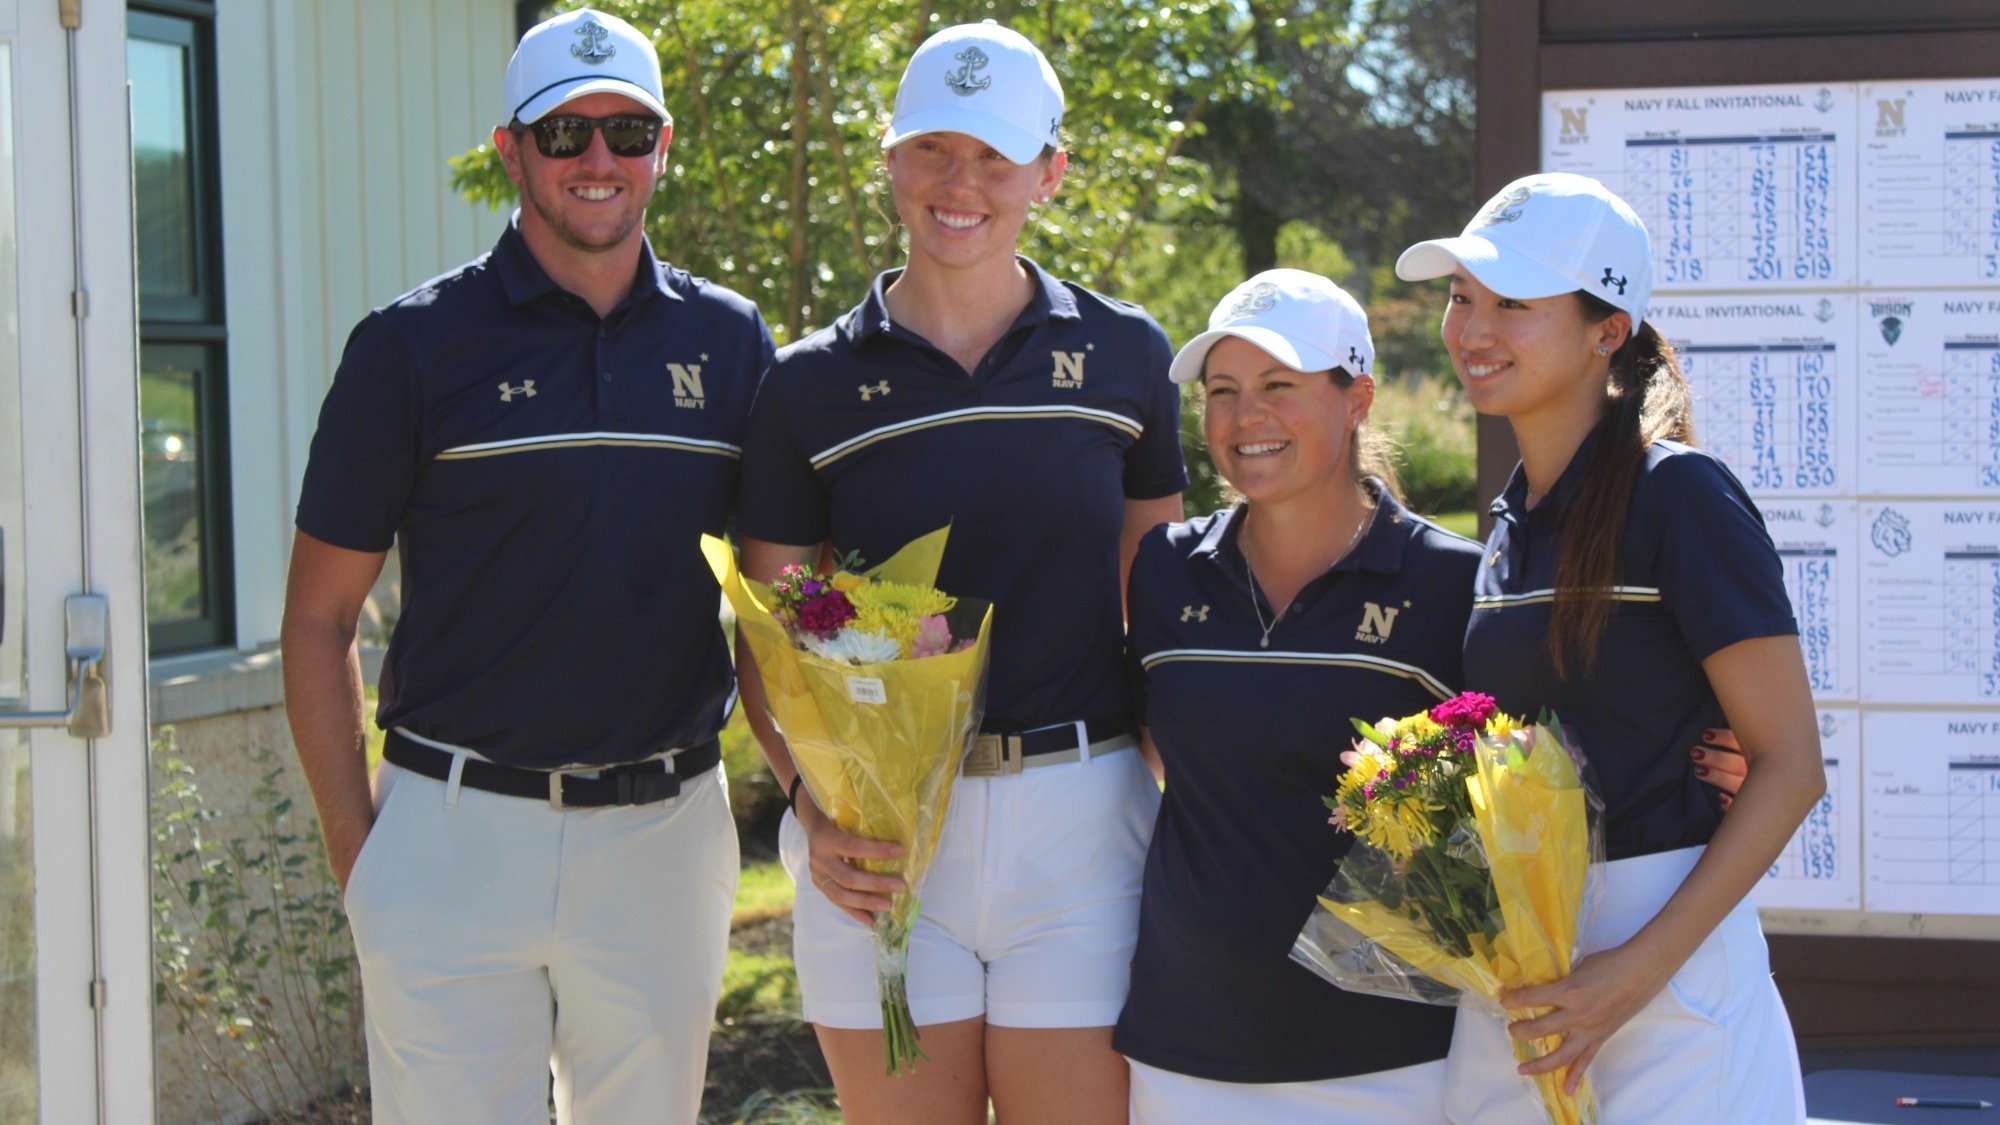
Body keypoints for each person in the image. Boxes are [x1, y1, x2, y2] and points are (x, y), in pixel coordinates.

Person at [280, 11, 774, 1124]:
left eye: (626, 131)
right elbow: (316, 621)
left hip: (662, 834)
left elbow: (782, 596)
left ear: (661, 147)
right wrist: (364, 861)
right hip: (451, 835)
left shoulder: (732, 342)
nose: (598, 158)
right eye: (563, 133)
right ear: (511, 149)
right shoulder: (409, 346)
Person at [734, 21, 1187, 1123]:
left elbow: (1164, 604)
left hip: (1082, 825)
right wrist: (810, 810)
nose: (960, 184)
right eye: (933, 148)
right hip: (877, 840)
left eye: (994, 156)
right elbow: (765, 637)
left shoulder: (1126, 354)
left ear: (1050, 172)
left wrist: (1166, 783)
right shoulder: (805, 386)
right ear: (889, 155)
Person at [1395, 172, 1824, 1124]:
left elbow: (1792, 766)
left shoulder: (1682, 494)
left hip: (1672, 985)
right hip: (1524, 969)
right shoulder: (1507, 524)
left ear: (1607, 330)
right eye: (1462, 297)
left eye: (1514, 302)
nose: (1473, 329)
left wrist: (1635, 971)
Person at [1115, 270, 1478, 1123]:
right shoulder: (1165, 567)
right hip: (1185, 1049)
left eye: (1279, 385)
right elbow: (1145, 737)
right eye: (1222, 391)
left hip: (1393, 1060)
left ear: (1358, 399)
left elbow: (1531, 776)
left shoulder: (1452, 582)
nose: (1246, 417)